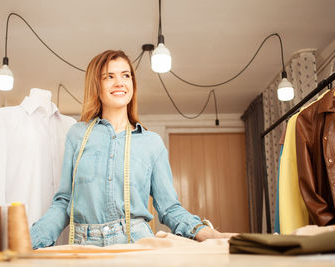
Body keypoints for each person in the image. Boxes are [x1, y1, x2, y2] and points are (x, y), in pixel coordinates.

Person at [30, 50, 235, 248]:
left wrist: (206, 233)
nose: (119, 82)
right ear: (97, 85)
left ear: (133, 84)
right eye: (109, 76)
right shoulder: (78, 135)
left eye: (125, 75)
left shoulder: (152, 143)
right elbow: (64, 202)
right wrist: (30, 239)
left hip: (136, 243)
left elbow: (169, 208)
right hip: (85, 246)